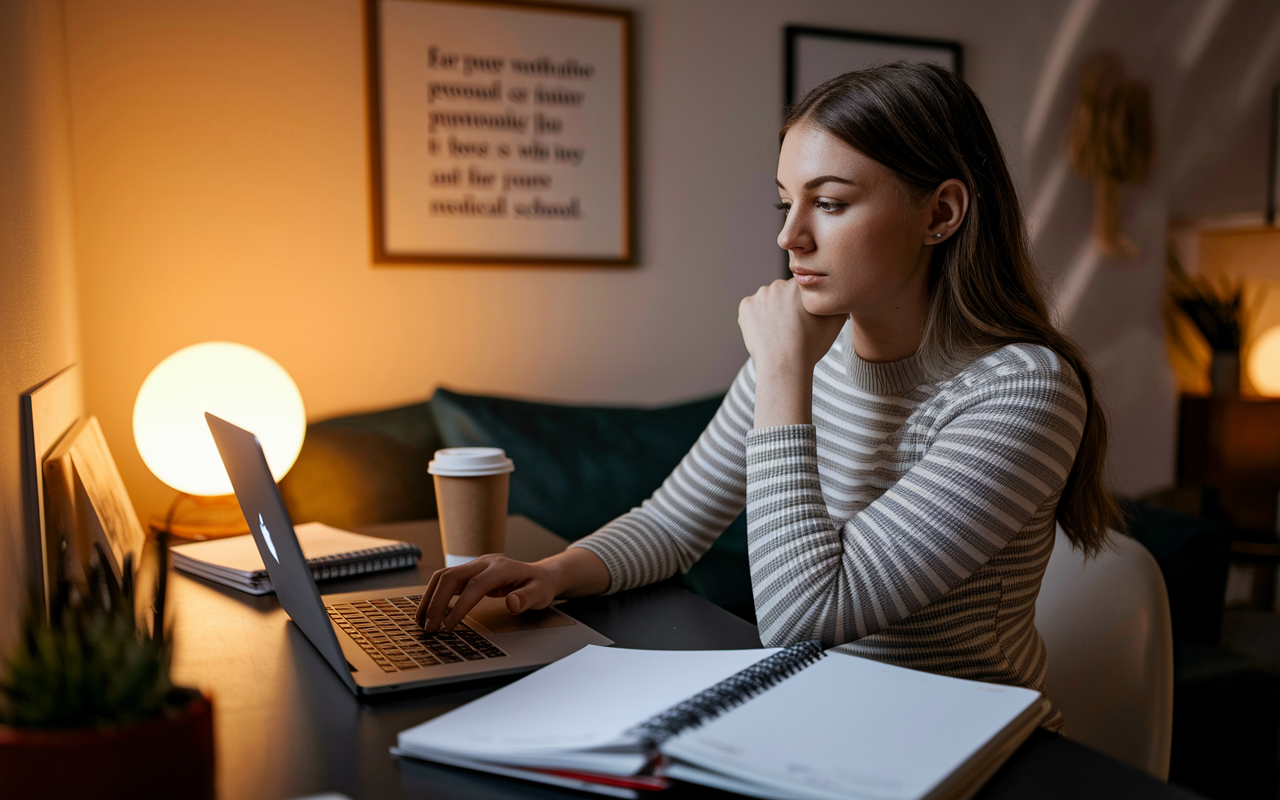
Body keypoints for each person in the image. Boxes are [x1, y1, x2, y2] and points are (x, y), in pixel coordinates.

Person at [415, 62, 1119, 730]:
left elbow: (805, 616)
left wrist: (785, 373)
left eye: (832, 203)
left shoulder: (1023, 389)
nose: (789, 236)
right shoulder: (808, 352)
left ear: (941, 213)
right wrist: (547, 573)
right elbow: (671, 525)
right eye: (786, 203)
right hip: (824, 725)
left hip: (966, 749)